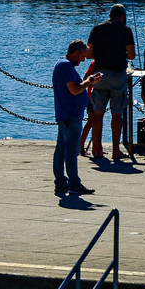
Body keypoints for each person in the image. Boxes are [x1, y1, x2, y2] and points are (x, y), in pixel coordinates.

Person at [84, 5, 137, 161]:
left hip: (99, 74)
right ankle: (115, 150)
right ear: (122, 16)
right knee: (117, 114)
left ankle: (97, 150)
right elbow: (132, 55)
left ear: (110, 15)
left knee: (97, 114)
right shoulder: (125, 30)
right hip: (117, 75)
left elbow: (89, 54)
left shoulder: (97, 29)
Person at [52, 41, 99, 196]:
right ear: (76, 52)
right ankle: (73, 183)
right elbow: (74, 90)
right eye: (82, 56)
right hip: (70, 114)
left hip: (67, 113)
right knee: (71, 151)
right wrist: (89, 81)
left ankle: (61, 182)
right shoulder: (65, 65)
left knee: (62, 150)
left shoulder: (63, 64)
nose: (83, 60)